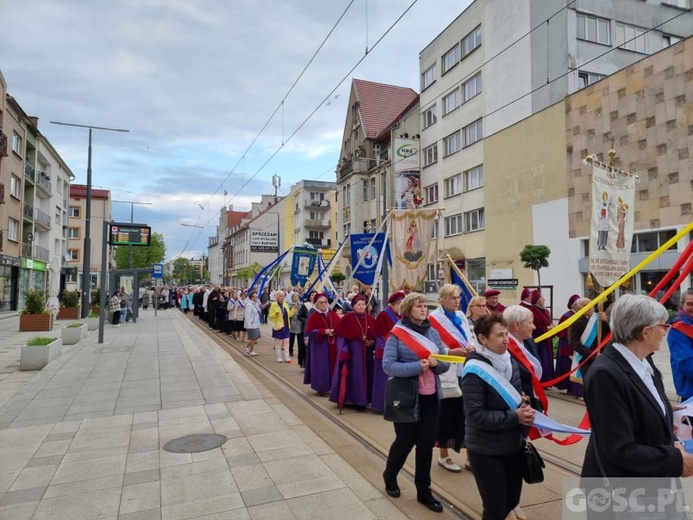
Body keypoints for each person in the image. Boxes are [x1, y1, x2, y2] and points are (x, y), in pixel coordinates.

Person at [581, 294, 693, 517]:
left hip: (653, 486)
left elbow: (640, 407)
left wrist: (668, 423)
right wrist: (676, 459)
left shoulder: (642, 360)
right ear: (645, 331)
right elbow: (619, 449)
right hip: (625, 494)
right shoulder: (606, 374)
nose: (666, 330)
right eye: (662, 325)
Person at [461, 313, 536, 520]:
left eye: (506, 334)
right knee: (494, 510)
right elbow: (475, 415)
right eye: (500, 335)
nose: (506, 340)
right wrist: (515, 417)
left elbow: (515, 398)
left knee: (511, 501)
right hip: (486, 450)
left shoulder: (509, 361)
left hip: (513, 445)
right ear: (483, 338)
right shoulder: (474, 371)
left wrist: (525, 404)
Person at [382, 292, 450, 513]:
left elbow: (445, 364)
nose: (423, 309)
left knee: (426, 447)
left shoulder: (433, 333)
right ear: (408, 309)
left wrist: (436, 363)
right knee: (404, 442)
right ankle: (390, 475)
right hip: (407, 398)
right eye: (419, 306)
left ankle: (424, 491)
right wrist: (415, 367)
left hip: (431, 398)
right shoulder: (397, 335)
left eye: (425, 306)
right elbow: (388, 365)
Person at [428, 284, 477, 473]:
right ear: (442, 299)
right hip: (447, 370)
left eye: (458, 297)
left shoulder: (461, 316)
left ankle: (470, 455)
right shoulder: (433, 319)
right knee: (446, 414)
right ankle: (444, 455)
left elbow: (469, 336)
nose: (457, 301)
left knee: (467, 413)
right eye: (453, 298)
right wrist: (450, 351)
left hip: (465, 368)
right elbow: (431, 345)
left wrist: (471, 346)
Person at [329, 294, 377, 408]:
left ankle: (365, 399)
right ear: (353, 306)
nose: (361, 307)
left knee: (367, 375)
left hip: (367, 353)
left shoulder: (370, 319)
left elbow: (375, 336)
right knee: (353, 375)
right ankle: (351, 399)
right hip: (352, 353)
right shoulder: (346, 319)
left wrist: (372, 343)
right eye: (358, 305)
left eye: (363, 304)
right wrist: (344, 352)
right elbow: (341, 338)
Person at [568, 297, 609, 399]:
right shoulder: (575, 321)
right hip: (586, 357)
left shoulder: (598, 319)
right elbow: (574, 343)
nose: (589, 308)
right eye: (585, 306)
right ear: (578, 308)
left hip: (602, 354)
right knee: (589, 382)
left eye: (591, 305)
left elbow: (609, 333)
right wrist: (593, 354)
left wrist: (606, 321)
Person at [371, 291, 405, 413]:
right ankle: (381, 405)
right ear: (394, 304)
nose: (401, 307)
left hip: (398, 351)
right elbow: (380, 336)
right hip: (385, 353)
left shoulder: (400, 315)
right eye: (400, 304)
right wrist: (388, 351)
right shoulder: (384, 315)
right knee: (383, 381)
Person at [304, 294, 341, 395]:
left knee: (333, 365)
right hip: (320, 346)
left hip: (333, 344)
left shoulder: (333, 314)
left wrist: (335, 331)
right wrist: (324, 331)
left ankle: (332, 386)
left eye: (325, 302)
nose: (323, 304)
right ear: (317, 304)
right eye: (321, 302)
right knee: (322, 366)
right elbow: (310, 331)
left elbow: (340, 327)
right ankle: (321, 387)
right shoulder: (313, 317)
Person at [668, 288, 693, 401]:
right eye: (689, 304)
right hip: (690, 393)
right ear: (682, 305)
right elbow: (686, 363)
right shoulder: (678, 329)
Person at [554, 294, 581, 393]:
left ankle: (572, 388)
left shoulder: (580, 314)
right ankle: (567, 386)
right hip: (566, 343)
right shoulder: (566, 316)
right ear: (573, 305)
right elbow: (560, 330)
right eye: (578, 304)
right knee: (567, 366)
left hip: (575, 342)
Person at [528, 289, 554, 382]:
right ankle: (542, 379)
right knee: (542, 360)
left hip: (547, 340)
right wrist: (546, 328)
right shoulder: (532, 311)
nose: (544, 299)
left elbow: (548, 322)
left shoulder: (546, 311)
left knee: (548, 360)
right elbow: (534, 326)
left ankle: (548, 379)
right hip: (539, 340)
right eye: (542, 298)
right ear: (537, 299)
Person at [269, 290, 292, 363]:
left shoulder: (286, 304)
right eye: (281, 296)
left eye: (283, 296)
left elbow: (289, 314)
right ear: (277, 297)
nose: (282, 297)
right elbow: (270, 316)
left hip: (286, 325)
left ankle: (287, 357)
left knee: (286, 341)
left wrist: (294, 310)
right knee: (278, 342)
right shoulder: (273, 305)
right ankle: (279, 356)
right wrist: (275, 314)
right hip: (278, 326)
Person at [243, 290, 261, 356]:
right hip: (251, 325)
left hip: (256, 324)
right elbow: (247, 316)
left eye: (257, 296)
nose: (257, 298)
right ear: (252, 297)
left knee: (257, 336)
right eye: (255, 297)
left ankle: (246, 346)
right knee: (253, 338)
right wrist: (249, 325)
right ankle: (251, 351)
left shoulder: (255, 304)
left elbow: (259, 310)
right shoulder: (249, 305)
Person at [288, 292, 303, 358]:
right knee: (291, 339)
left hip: (299, 324)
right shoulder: (290, 305)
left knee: (300, 340)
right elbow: (289, 314)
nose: (296, 297)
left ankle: (300, 352)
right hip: (292, 324)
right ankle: (290, 351)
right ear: (292, 298)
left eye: (297, 296)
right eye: (294, 296)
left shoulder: (301, 304)